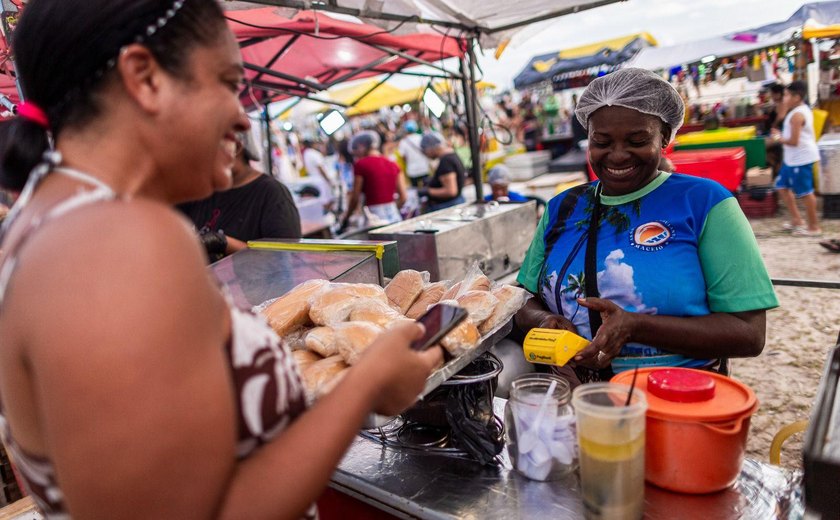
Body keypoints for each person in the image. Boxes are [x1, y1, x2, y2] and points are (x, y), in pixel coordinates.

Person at [0, 2, 442, 518]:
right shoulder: (117, 240)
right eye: (229, 82)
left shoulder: (41, 223)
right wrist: (366, 385)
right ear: (145, 77)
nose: (243, 114)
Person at [514, 68, 778, 386]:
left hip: (674, 399)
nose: (618, 154)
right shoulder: (563, 208)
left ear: (664, 136)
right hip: (572, 401)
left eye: (637, 140)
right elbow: (520, 297)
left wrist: (635, 326)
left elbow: (749, 334)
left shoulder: (704, 202)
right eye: (601, 141)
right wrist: (542, 318)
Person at [178, 131, 302, 262]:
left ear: (235, 147)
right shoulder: (201, 192)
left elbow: (286, 260)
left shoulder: (272, 194)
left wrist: (224, 243)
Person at [772, 81, 822, 236]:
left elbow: (794, 141)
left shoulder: (797, 115)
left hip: (801, 158)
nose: (784, 98)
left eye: (787, 95)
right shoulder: (796, 111)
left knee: (806, 193)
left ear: (797, 97)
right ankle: (797, 220)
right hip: (792, 159)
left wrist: (779, 138)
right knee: (781, 186)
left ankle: (814, 227)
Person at [341, 130, 407, 230]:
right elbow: (403, 197)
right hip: (394, 216)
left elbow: (355, 198)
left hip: (374, 218)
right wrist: (391, 208)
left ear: (362, 146)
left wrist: (346, 217)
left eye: (356, 149)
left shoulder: (361, 165)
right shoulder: (392, 164)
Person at [419, 132, 466, 212]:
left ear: (431, 148)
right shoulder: (451, 155)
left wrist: (428, 191)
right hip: (453, 204)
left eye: (425, 151)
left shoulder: (446, 161)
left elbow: (451, 191)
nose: (426, 155)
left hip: (448, 206)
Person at [398, 119, 431, 187]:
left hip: (412, 170)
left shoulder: (403, 142)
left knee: (415, 190)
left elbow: (403, 157)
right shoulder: (422, 137)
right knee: (427, 188)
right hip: (424, 168)